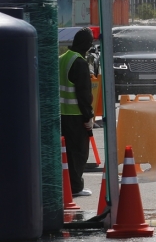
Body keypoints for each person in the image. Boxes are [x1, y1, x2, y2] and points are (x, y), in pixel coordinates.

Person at [59, 28, 95, 197]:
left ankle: (67, 185)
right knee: (78, 153)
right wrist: (88, 116)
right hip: (75, 116)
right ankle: (75, 187)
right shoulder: (79, 63)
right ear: (87, 45)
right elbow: (83, 94)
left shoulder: (62, 58)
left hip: (61, 114)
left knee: (65, 153)